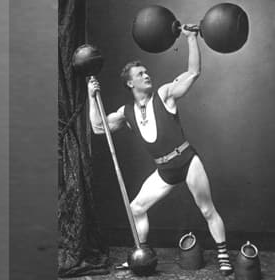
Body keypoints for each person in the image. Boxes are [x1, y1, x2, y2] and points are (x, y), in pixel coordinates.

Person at [88, 24, 233, 275]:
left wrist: (190, 38)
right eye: (140, 74)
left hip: (187, 161)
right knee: (137, 208)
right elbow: (99, 127)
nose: (146, 75)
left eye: (146, 72)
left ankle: (223, 255)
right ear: (130, 83)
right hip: (164, 170)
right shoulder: (127, 112)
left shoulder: (165, 94)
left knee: (207, 209)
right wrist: (92, 97)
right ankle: (140, 254)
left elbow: (193, 72)